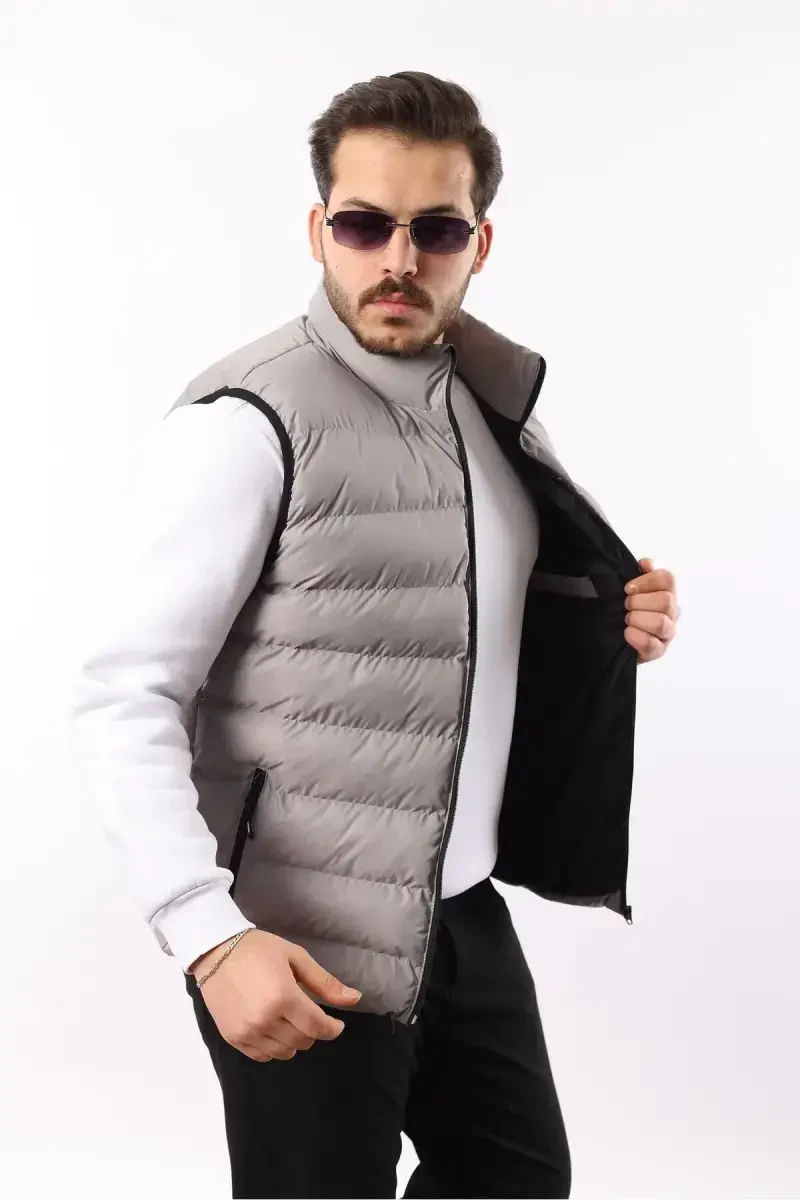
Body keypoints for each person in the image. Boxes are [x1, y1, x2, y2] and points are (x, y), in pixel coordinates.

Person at [69, 69, 679, 1199]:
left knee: (518, 1180)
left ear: (478, 244)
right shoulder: (246, 421)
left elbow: (470, 611)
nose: (398, 258)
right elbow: (124, 695)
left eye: (435, 229)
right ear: (319, 231)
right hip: (301, 930)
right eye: (364, 224)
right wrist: (209, 936)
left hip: (461, 907)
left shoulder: (493, 402)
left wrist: (613, 618)